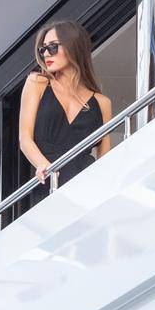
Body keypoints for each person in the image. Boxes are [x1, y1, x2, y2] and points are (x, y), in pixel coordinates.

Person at [19, 18, 112, 191]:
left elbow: (104, 158)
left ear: (73, 47)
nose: (46, 54)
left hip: (87, 184)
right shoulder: (37, 82)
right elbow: (24, 138)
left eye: (53, 47)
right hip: (48, 182)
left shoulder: (102, 103)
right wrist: (43, 165)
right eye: (43, 49)